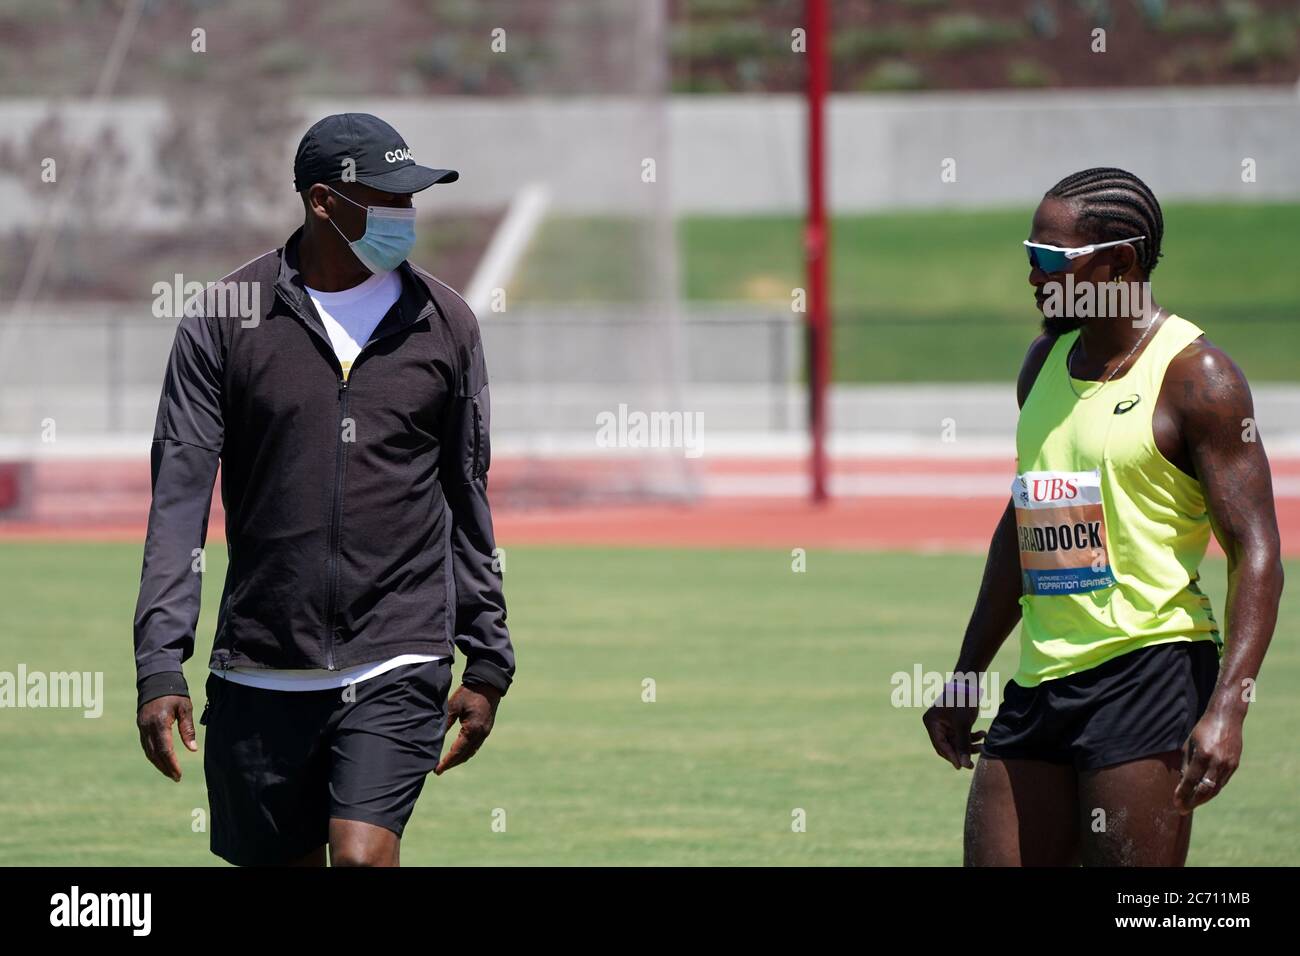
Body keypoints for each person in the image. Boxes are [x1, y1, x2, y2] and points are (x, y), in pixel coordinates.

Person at [133, 113, 515, 866]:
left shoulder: (446, 324)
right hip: (258, 663)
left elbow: (468, 499)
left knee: (364, 857)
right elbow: (178, 504)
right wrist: (158, 661)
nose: (405, 215)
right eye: (387, 197)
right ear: (322, 202)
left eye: (412, 198)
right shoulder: (225, 318)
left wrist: (489, 658)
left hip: (397, 656)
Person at [922, 167, 1283, 866]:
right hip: (1040, 682)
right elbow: (1022, 526)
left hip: (1150, 675)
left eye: (1048, 260)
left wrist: (1229, 709)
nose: (1032, 277)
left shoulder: (1197, 378)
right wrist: (969, 671)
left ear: (1119, 260)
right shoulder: (1044, 363)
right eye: (1030, 256)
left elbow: (1257, 551)